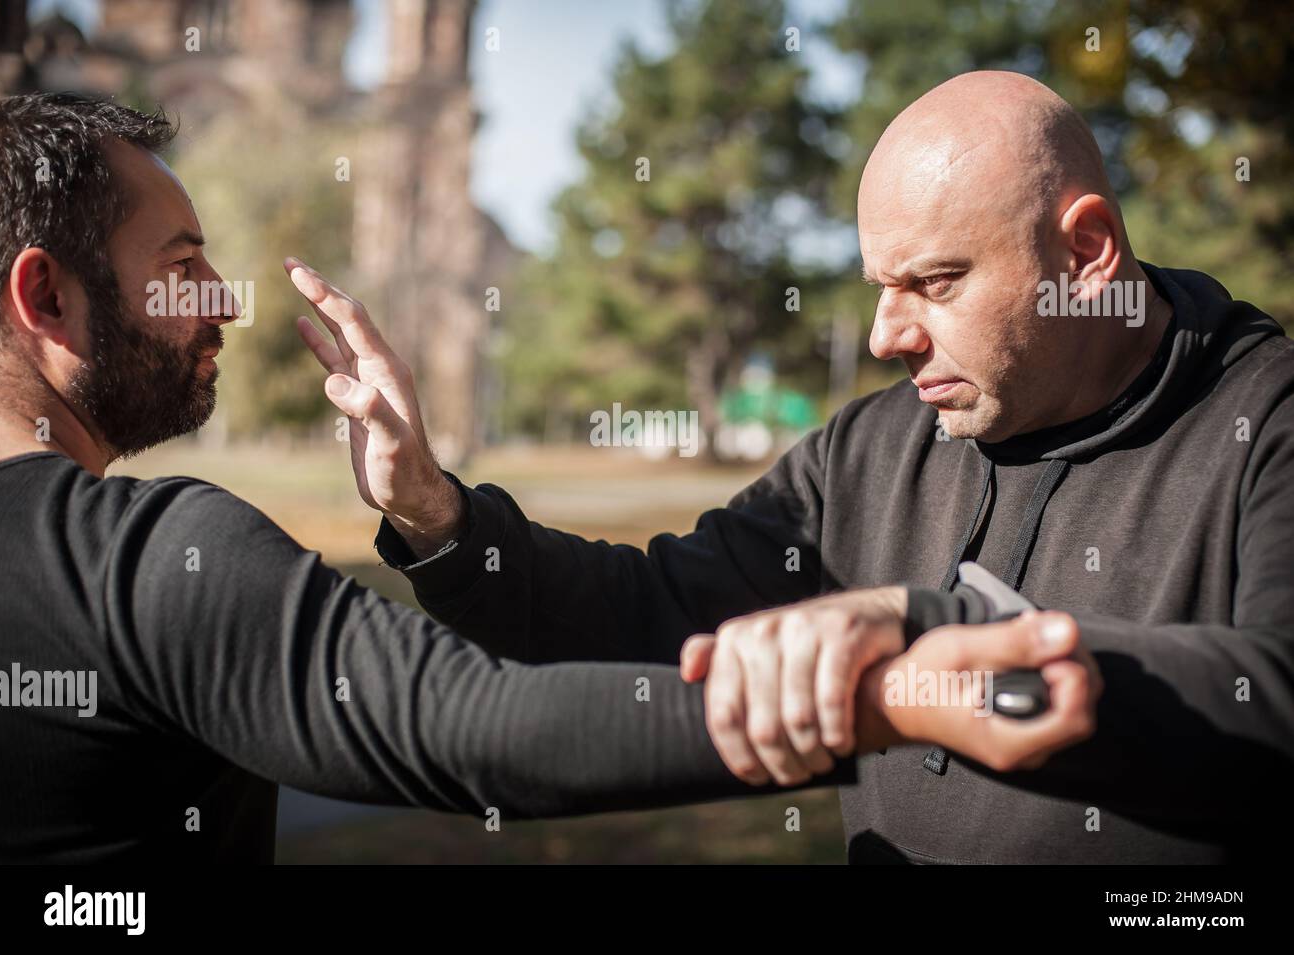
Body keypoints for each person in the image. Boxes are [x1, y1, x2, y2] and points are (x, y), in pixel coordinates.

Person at [0, 92, 1091, 863]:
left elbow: (652, 600)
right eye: (183, 270)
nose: (224, 302)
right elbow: (473, 723)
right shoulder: (141, 564)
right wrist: (896, 691)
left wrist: (427, 502)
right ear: (45, 297)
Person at [326, 71, 1294, 864]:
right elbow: (641, 614)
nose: (885, 334)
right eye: (881, 285)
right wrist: (437, 516)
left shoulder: (1267, 417)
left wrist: (924, 622)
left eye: (935, 282)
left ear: (1085, 252)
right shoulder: (866, 449)